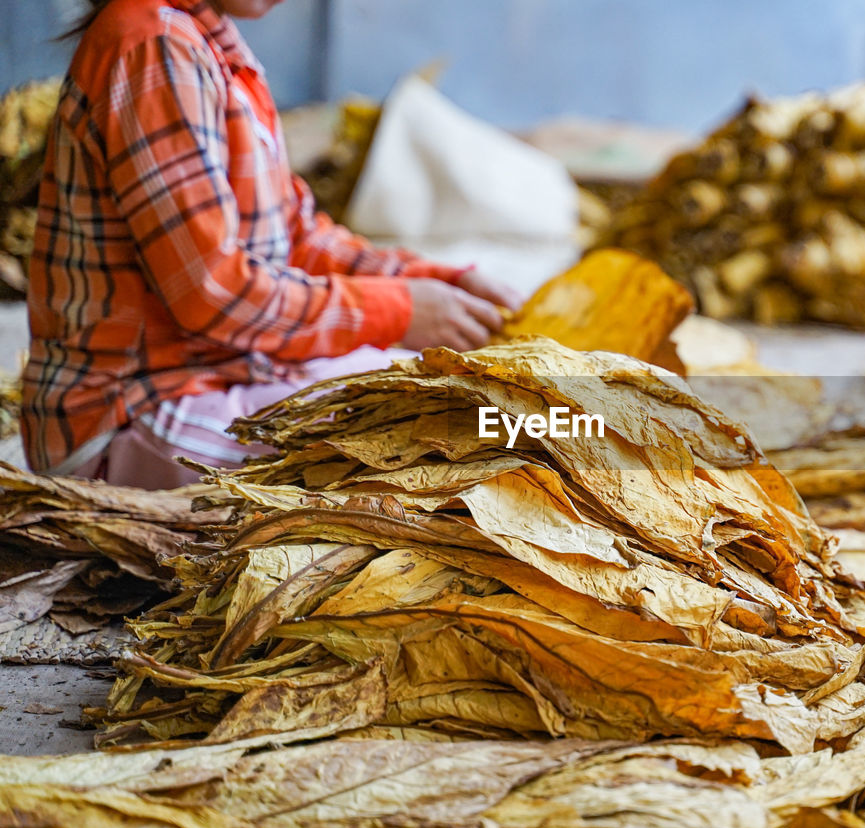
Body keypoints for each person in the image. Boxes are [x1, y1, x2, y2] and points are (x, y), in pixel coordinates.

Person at [22, 0, 521, 490]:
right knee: (446, 427)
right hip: (130, 422)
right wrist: (398, 313)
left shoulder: (211, 46)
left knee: (451, 398)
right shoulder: (153, 46)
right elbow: (216, 292)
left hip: (225, 377)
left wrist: (429, 282)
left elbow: (297, 238)